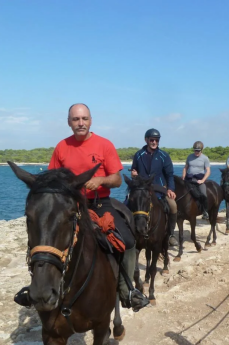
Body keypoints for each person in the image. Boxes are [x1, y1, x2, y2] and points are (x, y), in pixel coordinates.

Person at [15, 103, 149, 312]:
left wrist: (101, 180)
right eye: (76, 119)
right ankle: (38, 286)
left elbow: (116, 179)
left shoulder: (104, 145)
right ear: (69, 122)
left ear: (91, 121)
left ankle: (127, 291)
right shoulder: (62, 147)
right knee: (45, 238)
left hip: (99, 203)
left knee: (129, 241)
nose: (80, 123)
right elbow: (52, 180)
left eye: (84, 118)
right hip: (69, 206)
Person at [131, 128, 178, 246]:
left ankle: (171, 234)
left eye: (156, 140)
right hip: (142, 189)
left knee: (173, 206)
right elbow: (134, 171)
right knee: (127, 204)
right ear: (146, 140)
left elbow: (170, 175)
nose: (154, 142)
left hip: (159, 188)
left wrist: (170, 189)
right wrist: (133, 175)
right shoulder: (138, 155)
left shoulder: (164, 155)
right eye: (152, 140)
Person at [182, 141, 211, 219]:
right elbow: (185, 168)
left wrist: (203, 180)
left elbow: (208, 171)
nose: (196, 152)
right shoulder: (190, 157)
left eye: (198, 151)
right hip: (189, 178)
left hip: (199, 179)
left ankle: (205, 211)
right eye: (195, 150)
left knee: (203, 194)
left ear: (202, 150)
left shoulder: (205, 158)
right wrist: (183, 176)